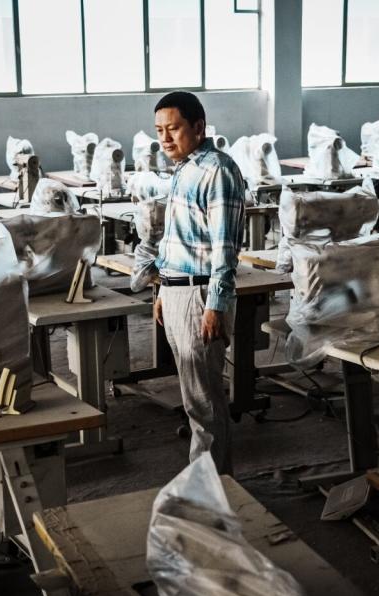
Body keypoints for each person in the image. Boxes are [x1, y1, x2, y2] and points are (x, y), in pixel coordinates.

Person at [152, 91, 246, 475]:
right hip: (177, 291)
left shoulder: (217, 171)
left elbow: (226, 248)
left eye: (173, 128)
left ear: (198, 127)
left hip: (200, 294)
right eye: (159, 130)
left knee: (205, 404)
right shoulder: (184, 169)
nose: (165, 139)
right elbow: (175, 239)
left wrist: (215, 305)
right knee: (194, 400)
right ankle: (207, 484)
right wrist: (162, 289)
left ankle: (212, 492)